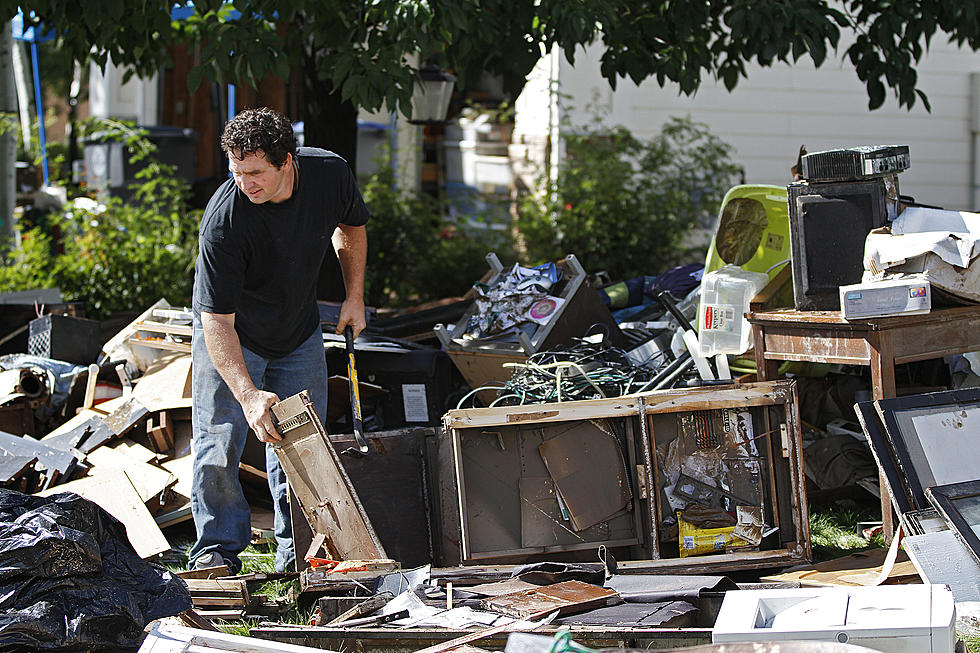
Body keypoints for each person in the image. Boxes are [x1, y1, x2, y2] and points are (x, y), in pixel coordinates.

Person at [187, 107, 368, 573]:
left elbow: (351, 226)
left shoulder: (329, 174)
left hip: (297, 330)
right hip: (233, 334)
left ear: (287, 161)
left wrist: (353, 297)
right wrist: (248, 395)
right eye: (236, 172)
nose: (244, 183)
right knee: (219, 442)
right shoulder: (224, 221)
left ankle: (299, 557)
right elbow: (216, 322)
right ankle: (217, 556)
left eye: (254, 172)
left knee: (302, 446)